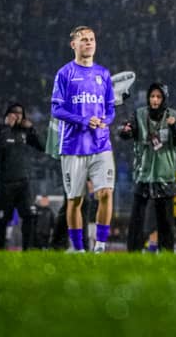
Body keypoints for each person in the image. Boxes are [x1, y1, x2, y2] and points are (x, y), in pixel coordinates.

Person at [49, 25, 117, 253]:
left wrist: (105, 120)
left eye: (92, 39)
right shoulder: (64, 74)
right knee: (75, 200)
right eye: (84, 39)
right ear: (74, 45)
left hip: (101, 143)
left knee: (106, 193)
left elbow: (110, 109)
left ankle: (100, 245)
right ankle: (78, 250)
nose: (89, 43)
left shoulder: (103, 74)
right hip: (73, 146)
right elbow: (56, 110)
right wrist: (83, 119)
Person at [118, 82, 176, 253]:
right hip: (144, 173)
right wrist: (125, 131)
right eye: (152, 96)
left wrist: (174, 126)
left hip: (165, 175)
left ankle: (166, 253)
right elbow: (126, 133)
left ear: (164, 99)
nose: (155, 100)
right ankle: (133, 252)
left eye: (158, 97)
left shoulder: (174, 116)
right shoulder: (139, 114)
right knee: (137, 219)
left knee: (166, 222)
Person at [0, 102, 44, 250]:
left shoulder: (25, 132)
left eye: (20, 113)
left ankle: (26, 251)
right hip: (4, 183)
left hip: (23, 183)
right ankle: (1, 251)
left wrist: (32, 129)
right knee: (2, 220)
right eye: (14, 112)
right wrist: (7, 126)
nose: (17, 115)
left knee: (29, 217)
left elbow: (42, 146)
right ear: (7, 114)